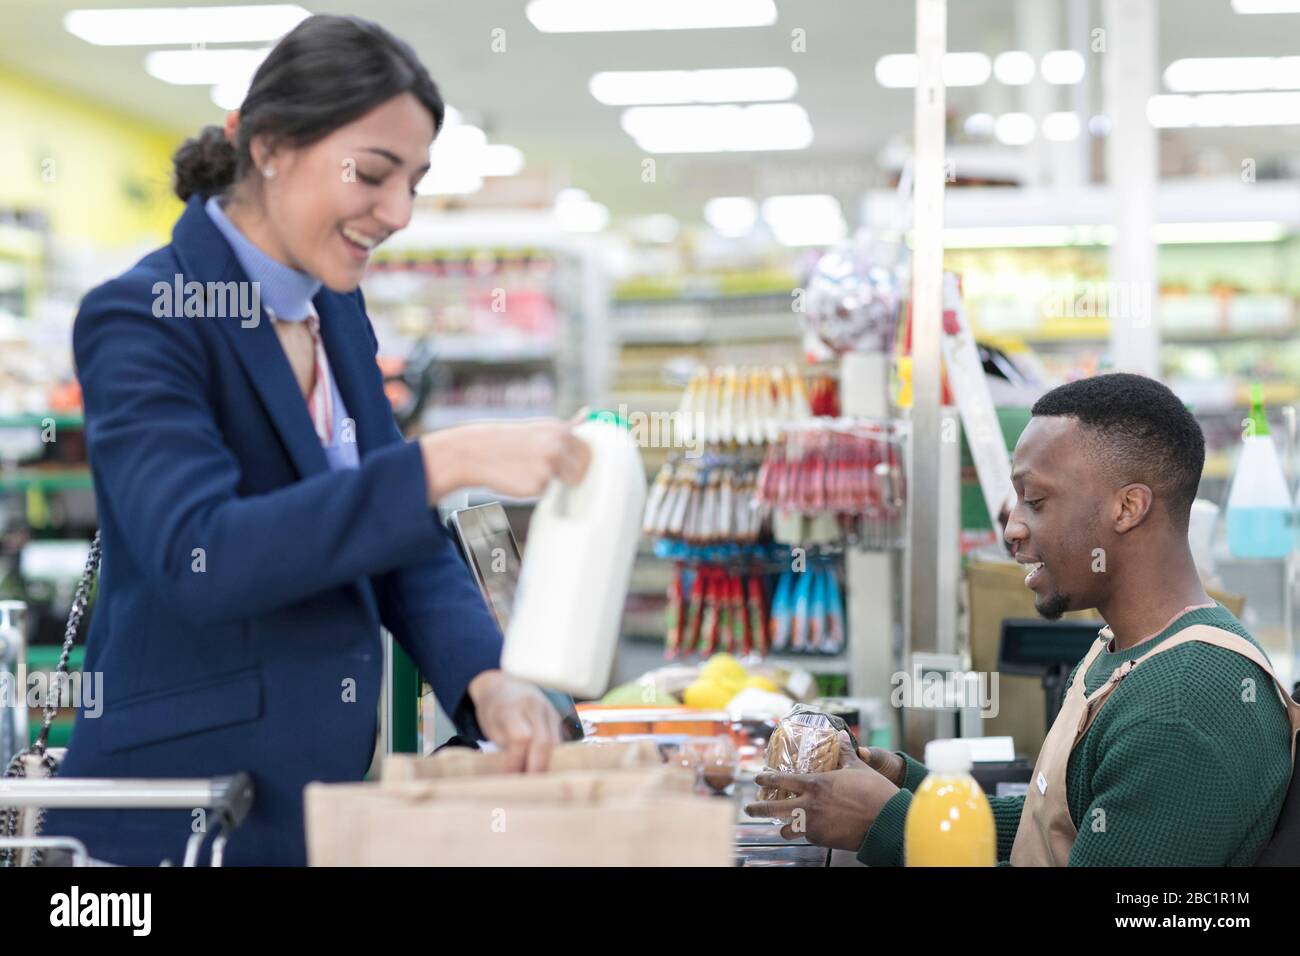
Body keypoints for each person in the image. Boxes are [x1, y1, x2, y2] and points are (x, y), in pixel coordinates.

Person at [41, 14, 589, 866]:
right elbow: (204, 554)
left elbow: (393, 538)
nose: (398, 212)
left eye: (414, 181)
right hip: (169, 819)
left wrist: (486, 677)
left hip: (309, 806)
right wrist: (441, 463)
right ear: (272, 147)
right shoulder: (144, 314)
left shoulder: (334, 307)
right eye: (373, 175)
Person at [747, 372, 1298, 865]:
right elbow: (1048, 831)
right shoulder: (1123, 646)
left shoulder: (1182, 705)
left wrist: (887, 824)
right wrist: (900, 778)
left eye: (1035, 500)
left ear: (1128, 509)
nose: (1012, 528)